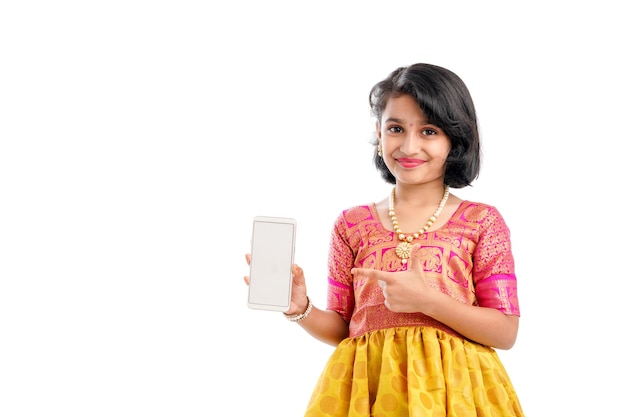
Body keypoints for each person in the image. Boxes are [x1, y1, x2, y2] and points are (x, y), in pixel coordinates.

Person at [244, 63, 524, 416]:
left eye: (429, 131)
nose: (409, 146)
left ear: (455, 139)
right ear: (378, 132)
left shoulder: (482, 221)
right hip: (368, 392)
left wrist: (428, 301)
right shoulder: (351, 224)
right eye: (395, 128)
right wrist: (301, 308)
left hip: (457, 394)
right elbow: (346, 328)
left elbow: (505, 332)